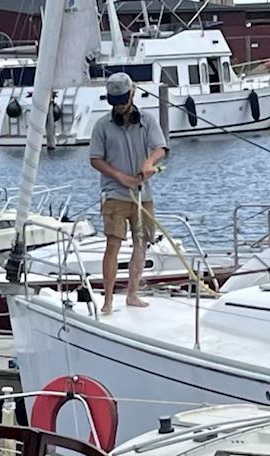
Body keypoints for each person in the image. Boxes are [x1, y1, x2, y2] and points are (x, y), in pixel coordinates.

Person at [87, 72, 168, 315]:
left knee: (141, 243)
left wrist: (148, 162)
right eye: (115, 103)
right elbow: (95, 159)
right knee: (113, 244)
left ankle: (132, 294)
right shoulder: (102, 126)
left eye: (123, 101)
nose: (120, 107)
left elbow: (161, 148)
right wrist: (120, 177)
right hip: (114, 193)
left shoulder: (147, 120)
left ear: (132, 95)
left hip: (143, 193)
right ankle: (108, 300)